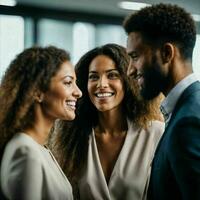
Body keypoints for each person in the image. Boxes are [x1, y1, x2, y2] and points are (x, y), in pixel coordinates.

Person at [54, 43, 164, 200]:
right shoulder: (73, 138)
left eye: (112, 75)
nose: (101, 84)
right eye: (93, 77)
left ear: (128, 81)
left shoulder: (155, 134)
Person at [123, 3, 200, 200]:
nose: (130, 70)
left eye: (135, 56)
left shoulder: (188, 122)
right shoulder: (188, 107)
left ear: (167, 53)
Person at [0, 46, 82, 200]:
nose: (78, 92)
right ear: (37, 92)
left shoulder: (40, 148)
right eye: (68, 82)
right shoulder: (25, 152)